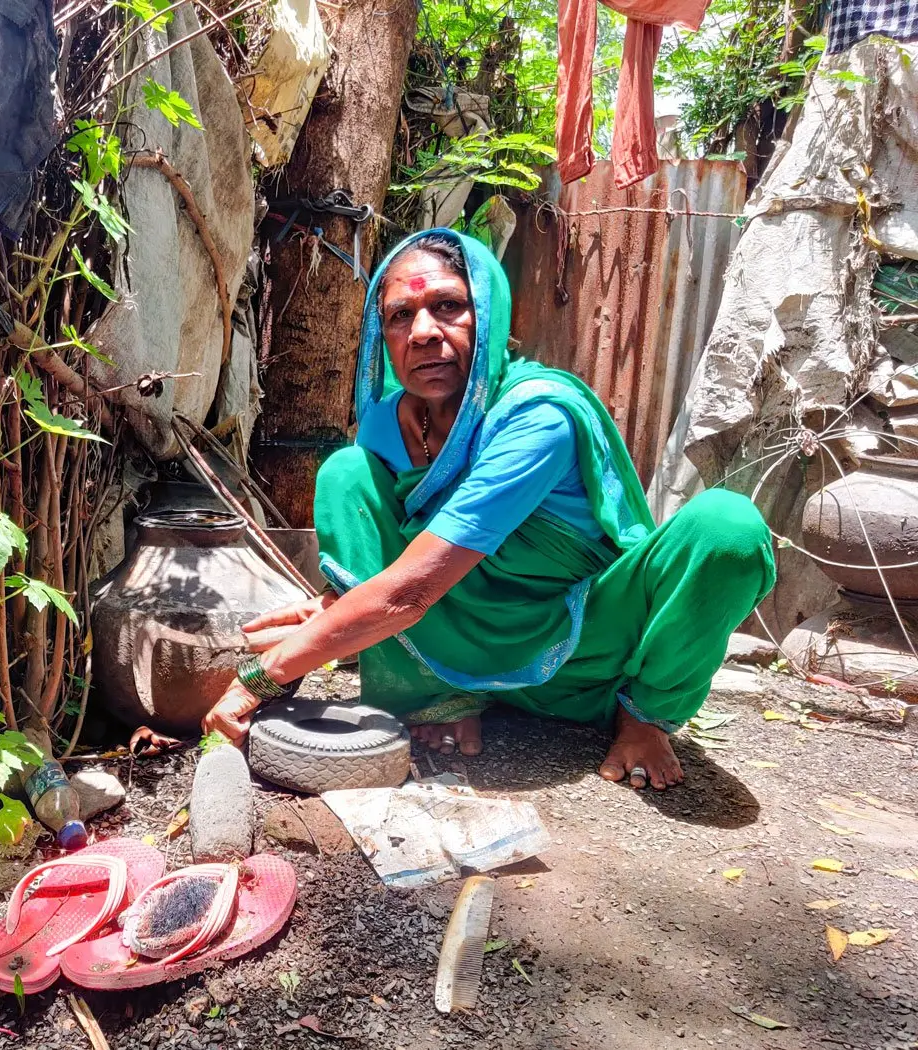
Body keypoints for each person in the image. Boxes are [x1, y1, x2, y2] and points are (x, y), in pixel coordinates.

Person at [202, 228, 775, 790]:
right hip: (456, 652)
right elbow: (402, 555)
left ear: (492, 316)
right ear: (384, 335)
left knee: (728, 527)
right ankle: (436, 696)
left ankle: (644, 718)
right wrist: (336, 606)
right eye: (401, 315)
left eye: (448, 306)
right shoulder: (386, 422)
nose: (423, 332)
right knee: (345, 473)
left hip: (584, 654)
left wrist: (263, 677)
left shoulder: (537, 417)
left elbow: (408, 592)